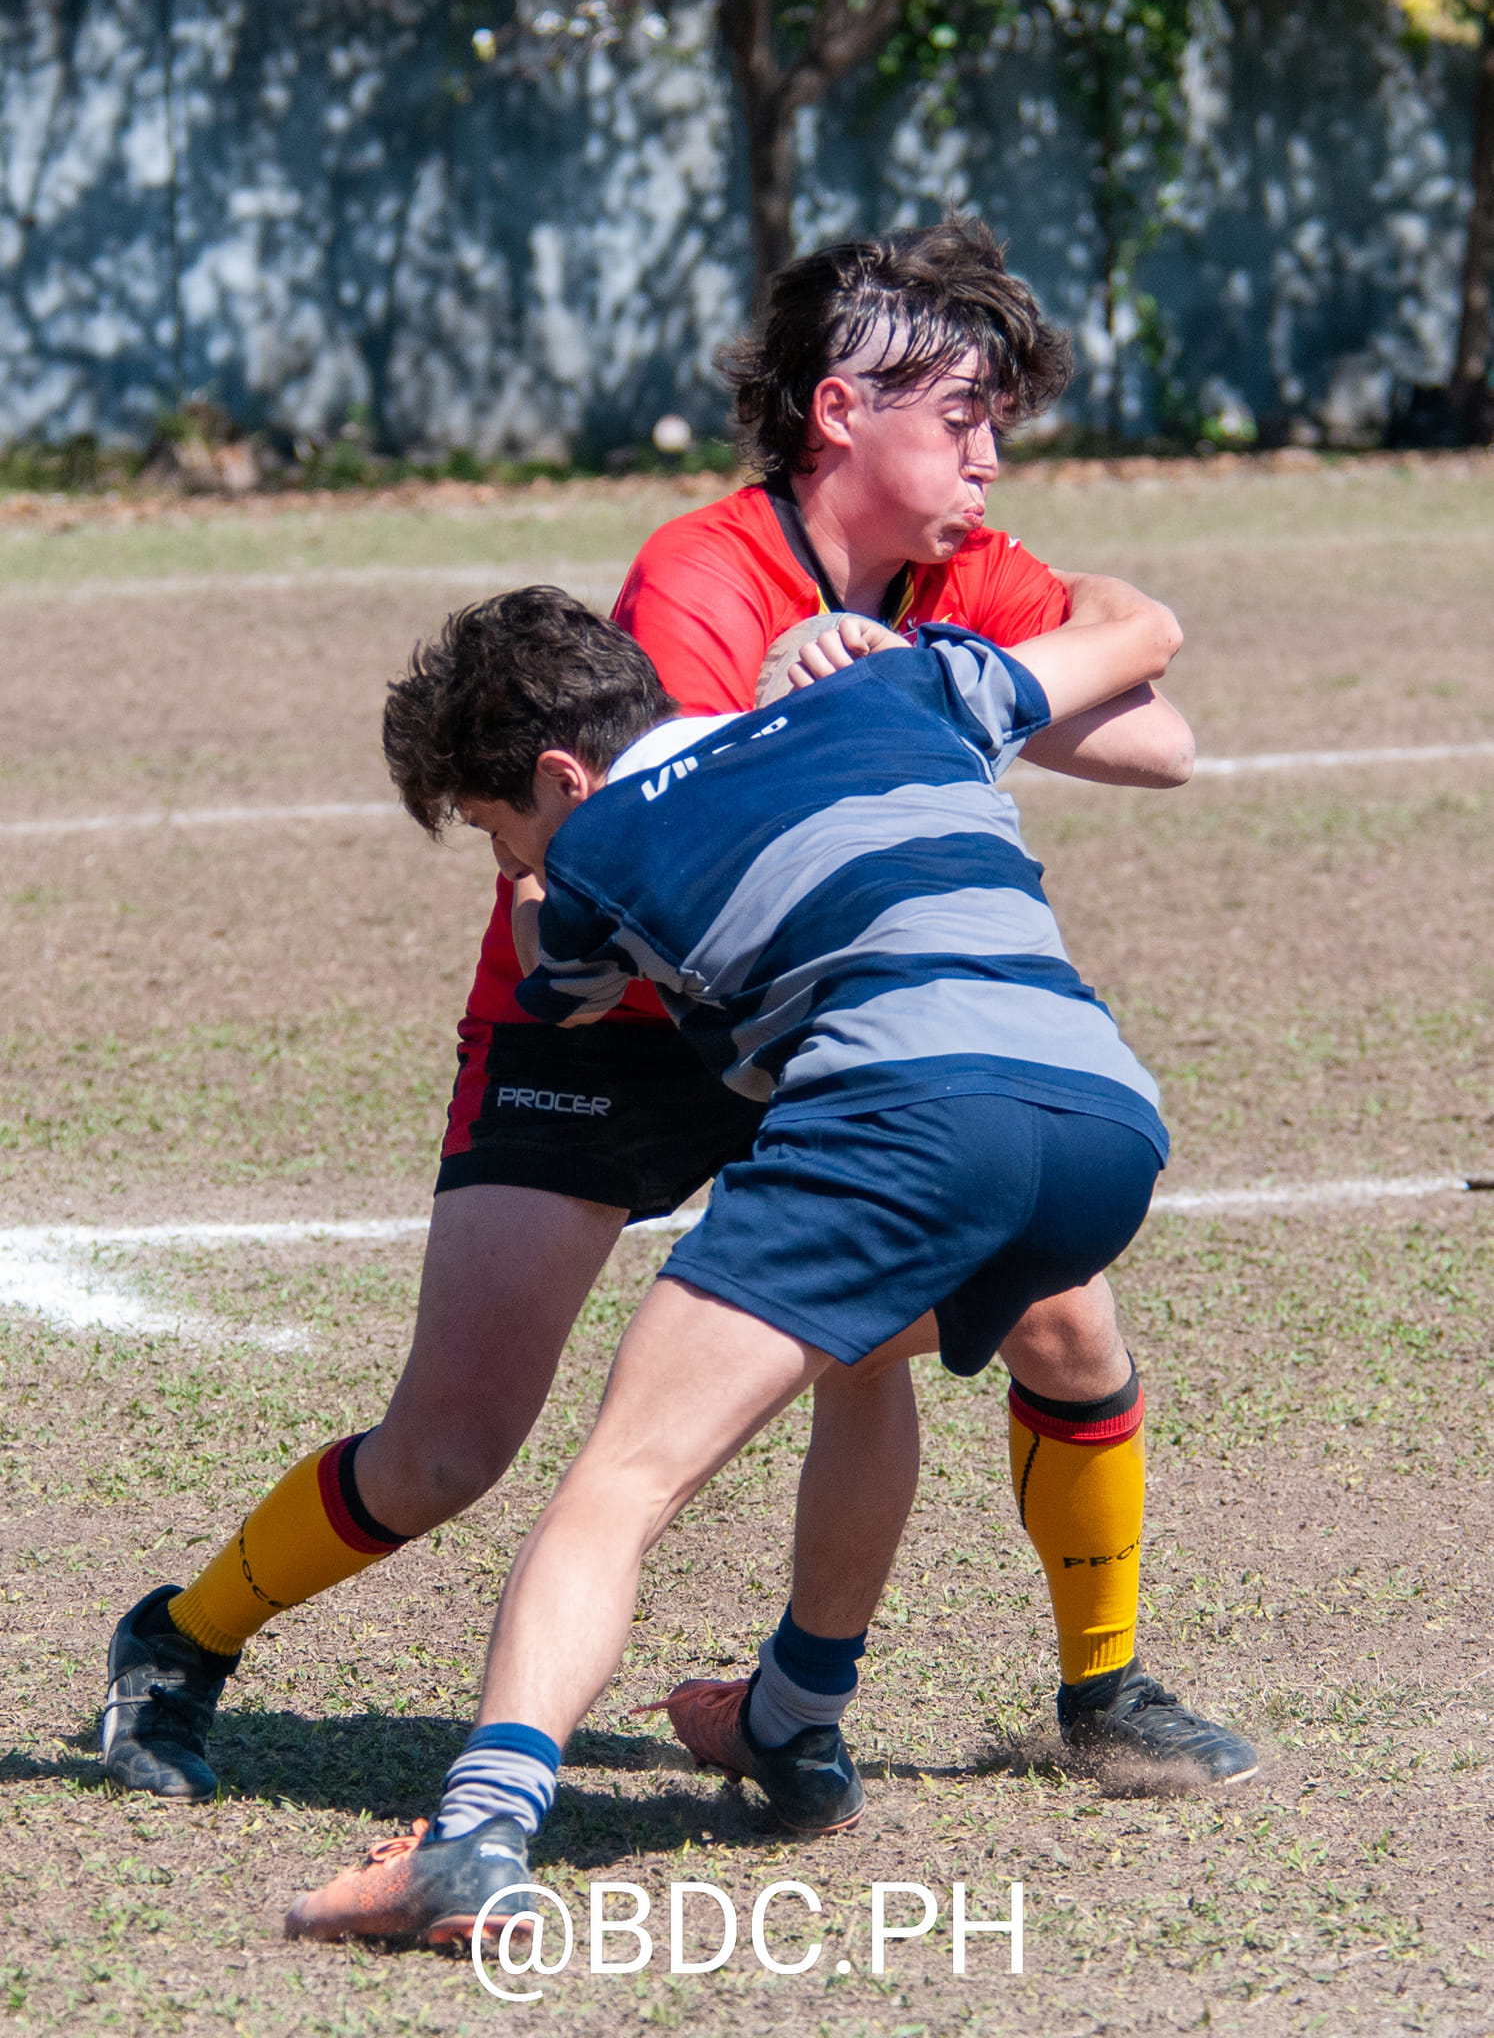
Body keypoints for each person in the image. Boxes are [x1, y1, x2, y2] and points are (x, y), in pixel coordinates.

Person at [100, 217, 1194, 1804]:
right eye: (962, 416)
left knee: (1050, 1320)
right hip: (595, 1017)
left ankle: (1073, 1695)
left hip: (795, 1012)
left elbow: (1158, 741)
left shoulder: (956, 572)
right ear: (842, 414)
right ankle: (179, 1639)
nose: (989, 456)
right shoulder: (700, 572)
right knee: (448, 1451)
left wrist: (924, 662)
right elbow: (642, 844)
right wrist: (828, 684)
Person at [284, 587, 1255, 1948]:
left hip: (901, 1119)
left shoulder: (595, 849)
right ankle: (790, 1720)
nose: (515, 861)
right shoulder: (901, 691)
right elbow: (1146, 627)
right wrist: (1020, 610)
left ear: (563, 778)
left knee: (619, 1483)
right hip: (1101, 1128)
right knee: (855, 1352)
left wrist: (538, 871)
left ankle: (470, 1840)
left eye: (504, 828)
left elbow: (544, 963)